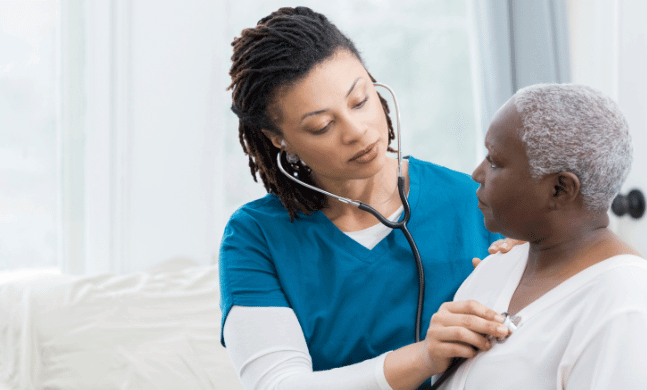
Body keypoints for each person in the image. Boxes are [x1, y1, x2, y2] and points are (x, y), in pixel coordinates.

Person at [220, 6, 515, 390]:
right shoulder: (256, 237)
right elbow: (278, 384)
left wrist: (532, 277)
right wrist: (424, 356)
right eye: (322, 125)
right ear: (280, 139)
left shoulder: (475, 200)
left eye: (360, 100)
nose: (358, 131)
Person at [432, 83, 647, 389]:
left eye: (495, 162)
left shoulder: (627, 309)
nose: (477, 173)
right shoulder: (495, 267)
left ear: (559, 189)